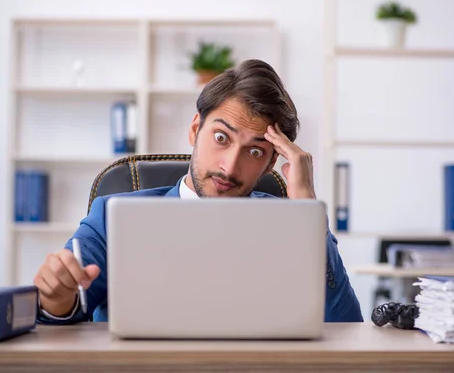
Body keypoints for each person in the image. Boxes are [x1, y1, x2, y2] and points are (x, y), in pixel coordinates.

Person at [34, 59, 363, 324]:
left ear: (271, 163)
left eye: (255, 151)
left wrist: (308, 216)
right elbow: (66, 308)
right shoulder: (110, 216)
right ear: (195, 130)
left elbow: (345, 326)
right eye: (222, 138)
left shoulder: (292, 226)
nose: (230, 167)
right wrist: (57, 299)